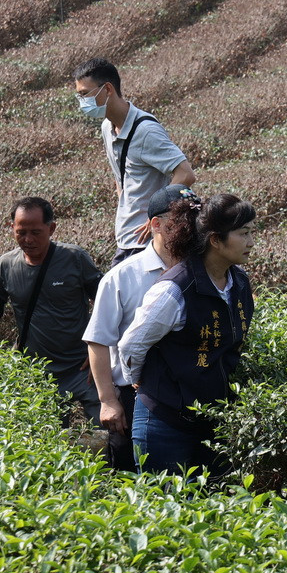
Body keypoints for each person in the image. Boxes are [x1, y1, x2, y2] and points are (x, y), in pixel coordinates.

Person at [118, 193, 256, 475]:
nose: (251, 242)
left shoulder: (238, 282)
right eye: (243, 234)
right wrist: (138, 381)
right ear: (216, 240)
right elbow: (132, 344)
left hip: (212, 419)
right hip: (164, 419)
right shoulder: (174, 289)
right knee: (165, 507)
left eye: (252, 233)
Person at [83, 184, 195, 471]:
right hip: (134, 397)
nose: (189, 230)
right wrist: (108, 400)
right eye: (179, 223)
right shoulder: (122, 277)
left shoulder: (203, 272)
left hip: (189, 396)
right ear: (156, 225)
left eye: (195, 222)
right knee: (131, 479)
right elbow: (98, 341)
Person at [0, 197, 102, 424]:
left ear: (51, 228)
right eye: (21, 232)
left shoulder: (75, 259)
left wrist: (99, 349)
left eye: (36, 232)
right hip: (35, 373)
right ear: (12, 229)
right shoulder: (6, 265)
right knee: (50, 442)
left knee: (110, 433)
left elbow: (107, 304)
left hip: (82, 370)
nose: (28, 239)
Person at [73, 58, 196, 267]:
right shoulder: (107, 127)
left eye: (85, 94)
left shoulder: (146, 131)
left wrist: (158, 215)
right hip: (126, 237)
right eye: (79, 95)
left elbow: (185, 174)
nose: (82, 101)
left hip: (150, 243)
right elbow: (120, 179)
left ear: (108, 89)